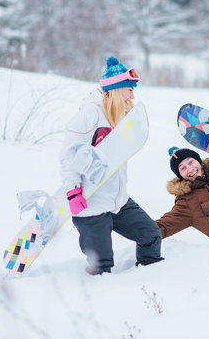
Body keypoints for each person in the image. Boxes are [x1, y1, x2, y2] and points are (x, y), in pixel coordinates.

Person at [59, 56, 163, 274]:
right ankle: (100, 297)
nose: (133, 95)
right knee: (102, 265)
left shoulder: (123, 116)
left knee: (151, 235)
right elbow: (68, 155)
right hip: (91, 204)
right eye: (129, 90)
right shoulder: (90, 114)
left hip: (118, 200)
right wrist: (73, 191)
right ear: (117, 89)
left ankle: (150, 277)